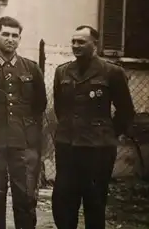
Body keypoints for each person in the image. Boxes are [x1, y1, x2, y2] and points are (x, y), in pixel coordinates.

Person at [52, 25, 135, 229]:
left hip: (98, 150)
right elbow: (60, 107)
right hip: (68, 146)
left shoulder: (112, 72)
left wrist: (106, 133)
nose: (75, 46)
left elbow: (126, 111)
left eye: (81, 42)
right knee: (63, 201)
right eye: (73, 41)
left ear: (95, 44)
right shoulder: (62, 71)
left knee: (95, 202)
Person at [0, 16, 47, 229]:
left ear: (20, 39)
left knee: (25, 199)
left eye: (15, 36)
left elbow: (40, 104)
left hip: (24, 144)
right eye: (5, 34)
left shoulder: (31, 69)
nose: (10, 39)